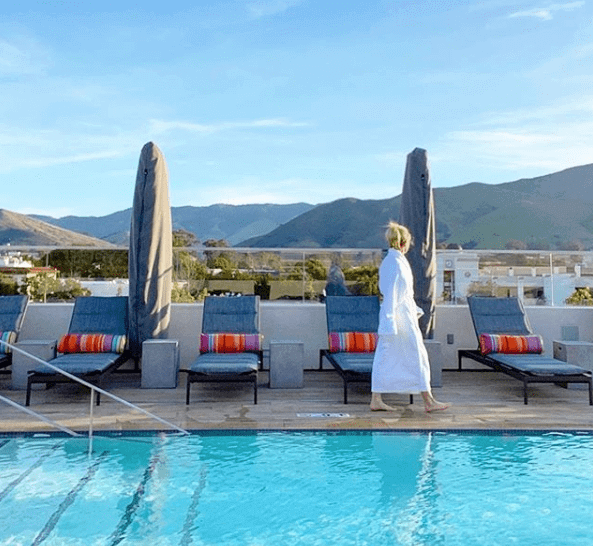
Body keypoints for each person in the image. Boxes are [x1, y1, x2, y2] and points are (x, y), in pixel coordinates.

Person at [370, 221, 449, 413]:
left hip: (403, 316)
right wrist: (388, 324)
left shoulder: (396, 261)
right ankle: (379, 399)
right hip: (397, 319)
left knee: (410, 356)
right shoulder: (394, 263)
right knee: (391, 355)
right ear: (404, 242)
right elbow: (391, 294)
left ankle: (426, 399)